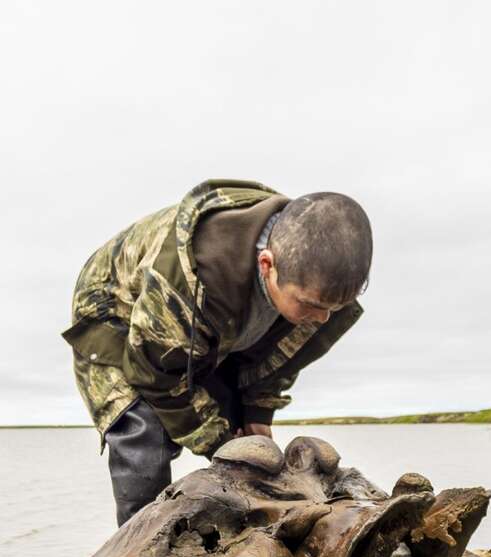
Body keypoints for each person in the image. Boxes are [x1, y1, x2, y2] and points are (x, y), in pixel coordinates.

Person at [63, 180, 371, 524]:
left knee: (248, 440)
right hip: (115, 313)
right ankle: (141, 550)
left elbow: (277, 357)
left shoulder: (318, 285)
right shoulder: (192, 277)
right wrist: (219, 442)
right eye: (311, 305)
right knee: (145, 433)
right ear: (268, 265)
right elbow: (154, 376)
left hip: (211, 330)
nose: (321, 318)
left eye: (334, 307)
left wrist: (257, 413)